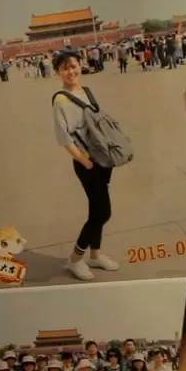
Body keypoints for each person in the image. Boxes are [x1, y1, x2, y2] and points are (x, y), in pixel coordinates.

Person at [51, 51, 120, 281]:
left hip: (102, 158)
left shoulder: (86, 91)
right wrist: (85, 161)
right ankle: (75, 259)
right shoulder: (60, 100)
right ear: (58, 72)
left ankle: (95, 255)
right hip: (87, 163)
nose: (70, 71)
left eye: (73, 66)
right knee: (103, 212)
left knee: (96, 210)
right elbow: (64, 139)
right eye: (65, 68)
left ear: (80, 65)